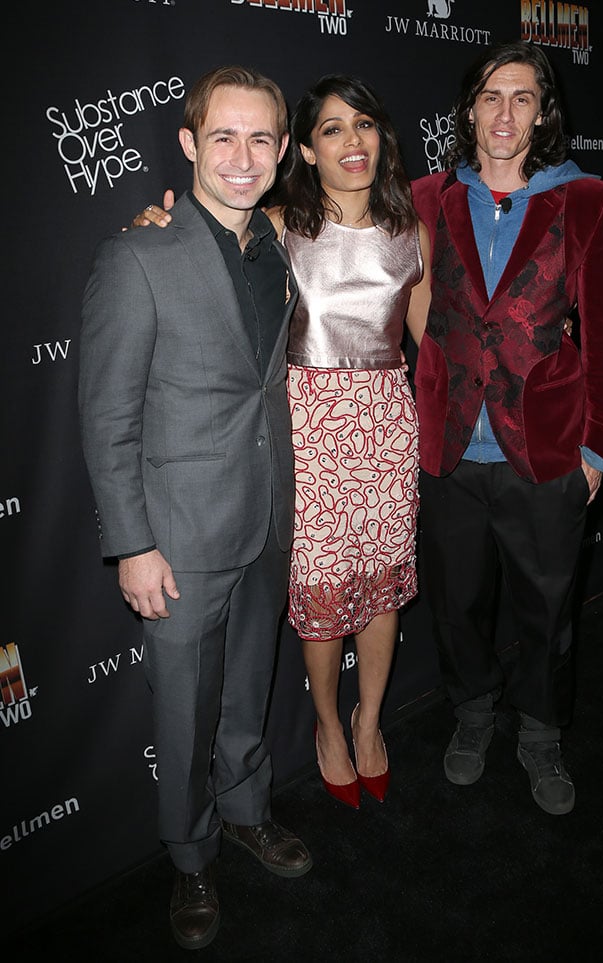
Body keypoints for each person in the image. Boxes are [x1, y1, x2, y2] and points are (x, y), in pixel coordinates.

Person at [132, 74, 432, 811]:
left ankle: (369, 721)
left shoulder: (414, 232)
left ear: (382, 138)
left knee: (384, 586)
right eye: (331, 129)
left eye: (364, 125)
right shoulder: (276, 223)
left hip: (388, 424)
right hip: (310, 428)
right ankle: (329, 726)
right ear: (305, 146)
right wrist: (156, 227)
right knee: (325, 593)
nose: (352, 142)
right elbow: (202, 242)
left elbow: (436, 346)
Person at [78, 66, 312, 953]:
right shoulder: (138, 252)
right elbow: (107, 415)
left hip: (264, 517)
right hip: (177, 533)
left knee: (248, 685)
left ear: (283, 150)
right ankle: (189, 855)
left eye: (261, 139)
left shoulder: (275, 249)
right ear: (188, 144)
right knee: (183, 709)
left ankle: (248, 811)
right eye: (223, 136)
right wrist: (133, 544)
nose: (243, 156)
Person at [410, 41, 603, 815]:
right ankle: (473, 713)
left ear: (544, 113)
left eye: (523, 98)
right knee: (456, 602)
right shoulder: (427, 197)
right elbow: (331, 227)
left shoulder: (592, 201)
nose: (505, 113)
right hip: (448, 448)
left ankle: (539, 732)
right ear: (469, 107)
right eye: (491, 96)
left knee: (546, 608)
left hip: (547, 450)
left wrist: (598, 447)